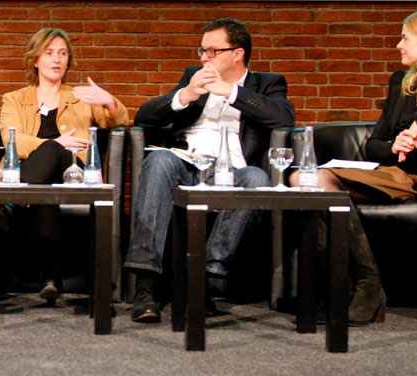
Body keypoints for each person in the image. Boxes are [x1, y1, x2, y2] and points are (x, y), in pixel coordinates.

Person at [289, 8, 417, 325]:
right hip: (389, 173)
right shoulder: (401, 82)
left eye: (405, 38)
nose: (399, 44)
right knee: (302, 178)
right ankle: (343, 288)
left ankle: (368, 286)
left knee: (313, 181)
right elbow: (374, 144)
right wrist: (393, 145)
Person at [125, 18, 295, 323]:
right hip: (186, 163)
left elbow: (283, 117)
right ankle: (146, 283)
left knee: (257, 179)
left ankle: (201, 276)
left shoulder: (268, 83)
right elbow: (144, 116)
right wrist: (184, 96)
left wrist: (230, 92)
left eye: (212, 51)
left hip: (234, 172)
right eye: (202, 51)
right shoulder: (193, 77)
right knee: (159, 161)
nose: (204, 58)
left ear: (237, 54)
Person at [0, 28, 129, 302]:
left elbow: (117, 122)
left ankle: (9, 206)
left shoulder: (81, 96)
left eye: (62, 53)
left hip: (73, 171)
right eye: (49, 53)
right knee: (48, 189)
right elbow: (13, 141)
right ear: (35, 60)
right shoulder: (14, 98)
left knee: (55, 155)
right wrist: (54, 143)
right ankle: (50, 278)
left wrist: (109, 102)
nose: (57, 59)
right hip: (37, 175)